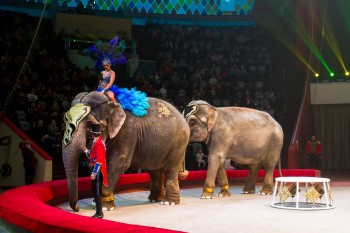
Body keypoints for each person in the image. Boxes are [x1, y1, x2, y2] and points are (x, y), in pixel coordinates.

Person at [83, 123, 108, 218]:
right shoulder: (97, 142)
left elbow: (100, 160)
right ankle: (99, 211)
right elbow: (94, 155)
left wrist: (94, 172)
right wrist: (86, 151)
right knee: (95, 190)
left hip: (97, 170)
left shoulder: (98, 144)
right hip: (96, 168)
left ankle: (99, 213)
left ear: (93, 134)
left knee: (97, 191)